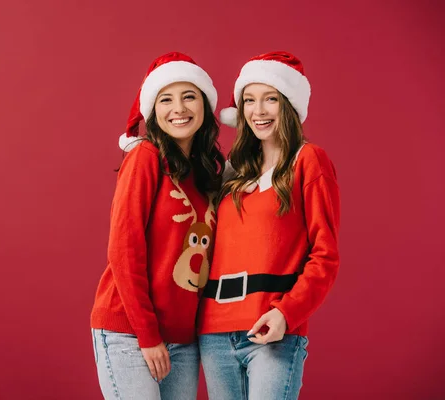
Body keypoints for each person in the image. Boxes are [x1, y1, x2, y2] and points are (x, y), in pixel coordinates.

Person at [198, 51, 341, 400]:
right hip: (215, 333)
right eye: (249, 100)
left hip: (272, 331)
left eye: (270, 99)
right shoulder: (234, 171)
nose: (258, 111)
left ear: (288, 104)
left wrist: (286, 314)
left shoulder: (308, 160)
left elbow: (325, 256)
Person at [90, 52, 225, 399]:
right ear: (154, 110)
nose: (178, 108)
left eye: (189, 96)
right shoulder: (146, 157)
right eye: (166, 99)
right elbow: (124, 251)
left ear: (205, 106)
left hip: (184, 338)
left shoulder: (208, 172)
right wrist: (148, 336)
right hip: (130, 332)